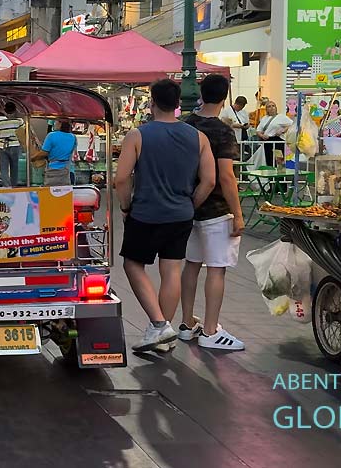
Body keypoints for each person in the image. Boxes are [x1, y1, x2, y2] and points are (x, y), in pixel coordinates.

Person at [114, 79, 216, 352]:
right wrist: (190, 204)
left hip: (146, 213)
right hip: (181, 215)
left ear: (153, 101)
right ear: (178, 102)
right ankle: (162, 335)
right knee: (171, 270)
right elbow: (209, 181)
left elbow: (121, 179)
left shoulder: (138, 135)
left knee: (133, 265)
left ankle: (159, 326)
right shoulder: (199, 138)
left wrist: (125, 208)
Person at [181, 74, 246, 351]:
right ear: (224, 98)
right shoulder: (222, 131)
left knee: (191, 264)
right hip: (217, 209)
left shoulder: (185, 125)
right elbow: (226, 177)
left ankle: (186, 324)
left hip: (187, 207)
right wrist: (238, 214)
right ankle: (210, 331)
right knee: (216, 269)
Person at [33, 119, 78, 187]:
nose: (54, 124)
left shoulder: (51, 136)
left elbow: (44, 153)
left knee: (50, 194)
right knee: (64, 194)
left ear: (60, 123)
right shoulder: (73, 137)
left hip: (52, 171)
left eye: (55, 122)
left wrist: (33, 158)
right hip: (67, 171)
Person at [254, 101, 292, 166]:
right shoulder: (264, 118)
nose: (271, 108)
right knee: (269, 159)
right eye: (269, 106)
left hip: (277, 141)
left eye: (273, 106)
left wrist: (283, 130)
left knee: (279, 159)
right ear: (266, 109)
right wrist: (262, 136)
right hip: (267, 141)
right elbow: (258, 130)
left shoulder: (281, 117)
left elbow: (292, 124)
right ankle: (270, 175)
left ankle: (281, 175)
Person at [0, 115, 23, 187]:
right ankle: (14, 185)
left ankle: (6, 186)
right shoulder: (19, 120)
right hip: (15, 145)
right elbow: (23, 131)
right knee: (14, 167)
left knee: (3, 167)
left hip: (2, 146)